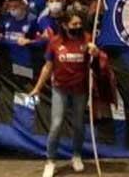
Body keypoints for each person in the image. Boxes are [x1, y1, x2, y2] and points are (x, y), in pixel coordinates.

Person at [29, 10, 99, 177]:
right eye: (74, 24)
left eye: (79, 23)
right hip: (60, 88)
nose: (78, 26)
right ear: (65, 25)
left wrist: (96, 54)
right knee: (56, 124)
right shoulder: (55, 42)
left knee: (78, 125)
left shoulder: (88, 39)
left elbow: (98, 64)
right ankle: (50, 160)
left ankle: (76, 156)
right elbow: (48, 67)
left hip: (80, 90)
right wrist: (38, 87)